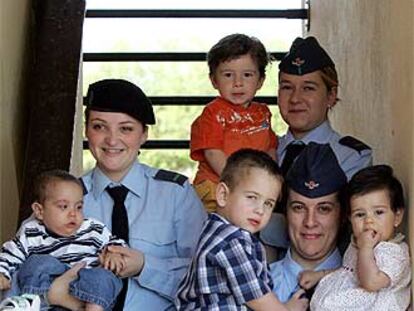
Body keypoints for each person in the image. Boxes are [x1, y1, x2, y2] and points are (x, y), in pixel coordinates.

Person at [261, 36, 373, 261]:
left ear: (331, 95)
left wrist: (261, 226)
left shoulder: (351, 157)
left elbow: (335, 229)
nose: (295, 98)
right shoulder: (263, 152)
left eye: (308, 88)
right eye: (287, 87)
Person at [176, 149, 308, 311]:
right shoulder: (231, 241)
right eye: (252, 197)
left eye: (268, 203)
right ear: (223, 195)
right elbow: (258, 299)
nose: (260, 210)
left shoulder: (217, 231)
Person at [0, 170, 126, 311]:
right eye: (63, 206)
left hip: (88, 291)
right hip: (47, 298)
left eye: (78, 207)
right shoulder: (31, 232)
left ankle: (94, 308)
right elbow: (10, 254)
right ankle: (29, 302)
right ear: (39, 211)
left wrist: (114, 254)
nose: (73, 213)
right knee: (37, 262)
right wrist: (2, 273)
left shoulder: (93, 228)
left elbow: (115, 243)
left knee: (104, 276)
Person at [190, 33, 278, 213]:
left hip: (252, 187)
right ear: (214, 80)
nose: (238, 83)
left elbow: (269, 150)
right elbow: (213, 153)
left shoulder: (262, 113)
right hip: (217, 185)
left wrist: (273, 179)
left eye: (247, 75)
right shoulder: (213, 113)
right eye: (228, 75)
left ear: (260, 80)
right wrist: (238, 183)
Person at [310, 165, 410, 311]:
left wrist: (366, 248)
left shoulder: (394, 253)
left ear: (397, 216)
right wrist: (321, 275)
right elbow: (349, 270)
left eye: (379, 212)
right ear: (350, 219)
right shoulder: (359, 242)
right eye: (360, 214)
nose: (369, 221)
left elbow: (371, 283)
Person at [269, 143, 347, 304]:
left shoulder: (363, 287)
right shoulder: (256, 287)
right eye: (299, 208)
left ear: (343, 216)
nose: (310, 222)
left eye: (324, 209)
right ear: (286, 212)